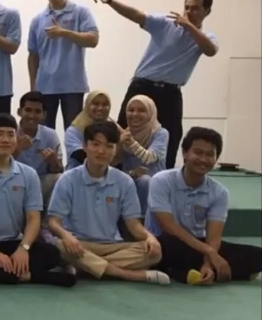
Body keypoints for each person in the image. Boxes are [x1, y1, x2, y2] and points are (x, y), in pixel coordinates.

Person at [86, 0, 218, 170]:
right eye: (186, 7)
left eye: (195, 8)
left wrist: (189, 26)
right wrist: (110, 0)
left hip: (171, 92)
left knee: (171, 135)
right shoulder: (166, 23)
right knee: (122, 130)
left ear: (207, 11)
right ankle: (115, 173)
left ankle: (165, 177)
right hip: (143, 86)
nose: (188, 12)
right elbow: (137, 15)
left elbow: (210, 50)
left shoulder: (206, 37)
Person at [0, 114, 75, 287]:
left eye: (10, 134)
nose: (5, 140)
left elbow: (33, 218)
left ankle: (6, 273)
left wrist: (23, 248)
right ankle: (35, 276)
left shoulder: (28, 174)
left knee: (51, 254)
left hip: (12, 242)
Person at [47, 121, 168, 285]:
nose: (101, 151)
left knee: (154, 252)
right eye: (95, 144)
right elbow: (53, 222)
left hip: (112, 245)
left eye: (109, 146)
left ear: (116, 149)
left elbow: (133, 225)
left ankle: (86, 267)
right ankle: (127, 274)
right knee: (59, 246)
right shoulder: (68, 179)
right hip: (79, 243)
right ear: (85, 146)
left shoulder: (124, 181)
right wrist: (66, 235)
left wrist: (150, 237)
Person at [145, 127, 262, 284]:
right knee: (167, 244)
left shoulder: (219, 192)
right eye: (198, 152)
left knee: (257, 255)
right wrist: (210, 253)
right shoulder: (161, 181)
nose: (203, 159)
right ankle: (217, 271)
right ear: (185, 153)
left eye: (210, 154)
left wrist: (208, 262)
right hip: (163, 242)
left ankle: (185, 271)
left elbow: (214, 236)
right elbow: (169, 226)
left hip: (198, 243)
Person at [27, 0, 99, 131]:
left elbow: (93, 40)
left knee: (74, 133)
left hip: (73, 85)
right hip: (45, 86)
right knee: (44, 134)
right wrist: (33, 87)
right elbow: (33, 55)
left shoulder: (80, 12)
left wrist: (65, 33)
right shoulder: (38, 20)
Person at [119, 95, 168, 212]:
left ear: (151, 113)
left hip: (155, 185)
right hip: (130, 181)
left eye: (141, 110)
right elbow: (118, 167)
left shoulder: (160, 133)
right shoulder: (123, 134)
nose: (135, 114)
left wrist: (131, 142)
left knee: (145, 181)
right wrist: (133, 173)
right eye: (131, 110)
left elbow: (149, 158)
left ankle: (145, 219)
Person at [14, 91, 63, 202]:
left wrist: (53, 162)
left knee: (59, 179)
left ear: (44, 115)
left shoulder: (50, 135)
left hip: (39, 182)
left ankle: (50, 213)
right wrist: (17, 150)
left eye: (37, 111)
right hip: (13, 181)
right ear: (19, 112)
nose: (32, 116)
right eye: (28, 110)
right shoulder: (10, 133)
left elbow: (59, 169)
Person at [64, 91, 113, 171]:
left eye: (104, 105)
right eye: (96, 104)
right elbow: (79, 155)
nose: (100, 108)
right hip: (77, 174)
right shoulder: (74, 130)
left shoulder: (113, 129)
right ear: (87, 105)